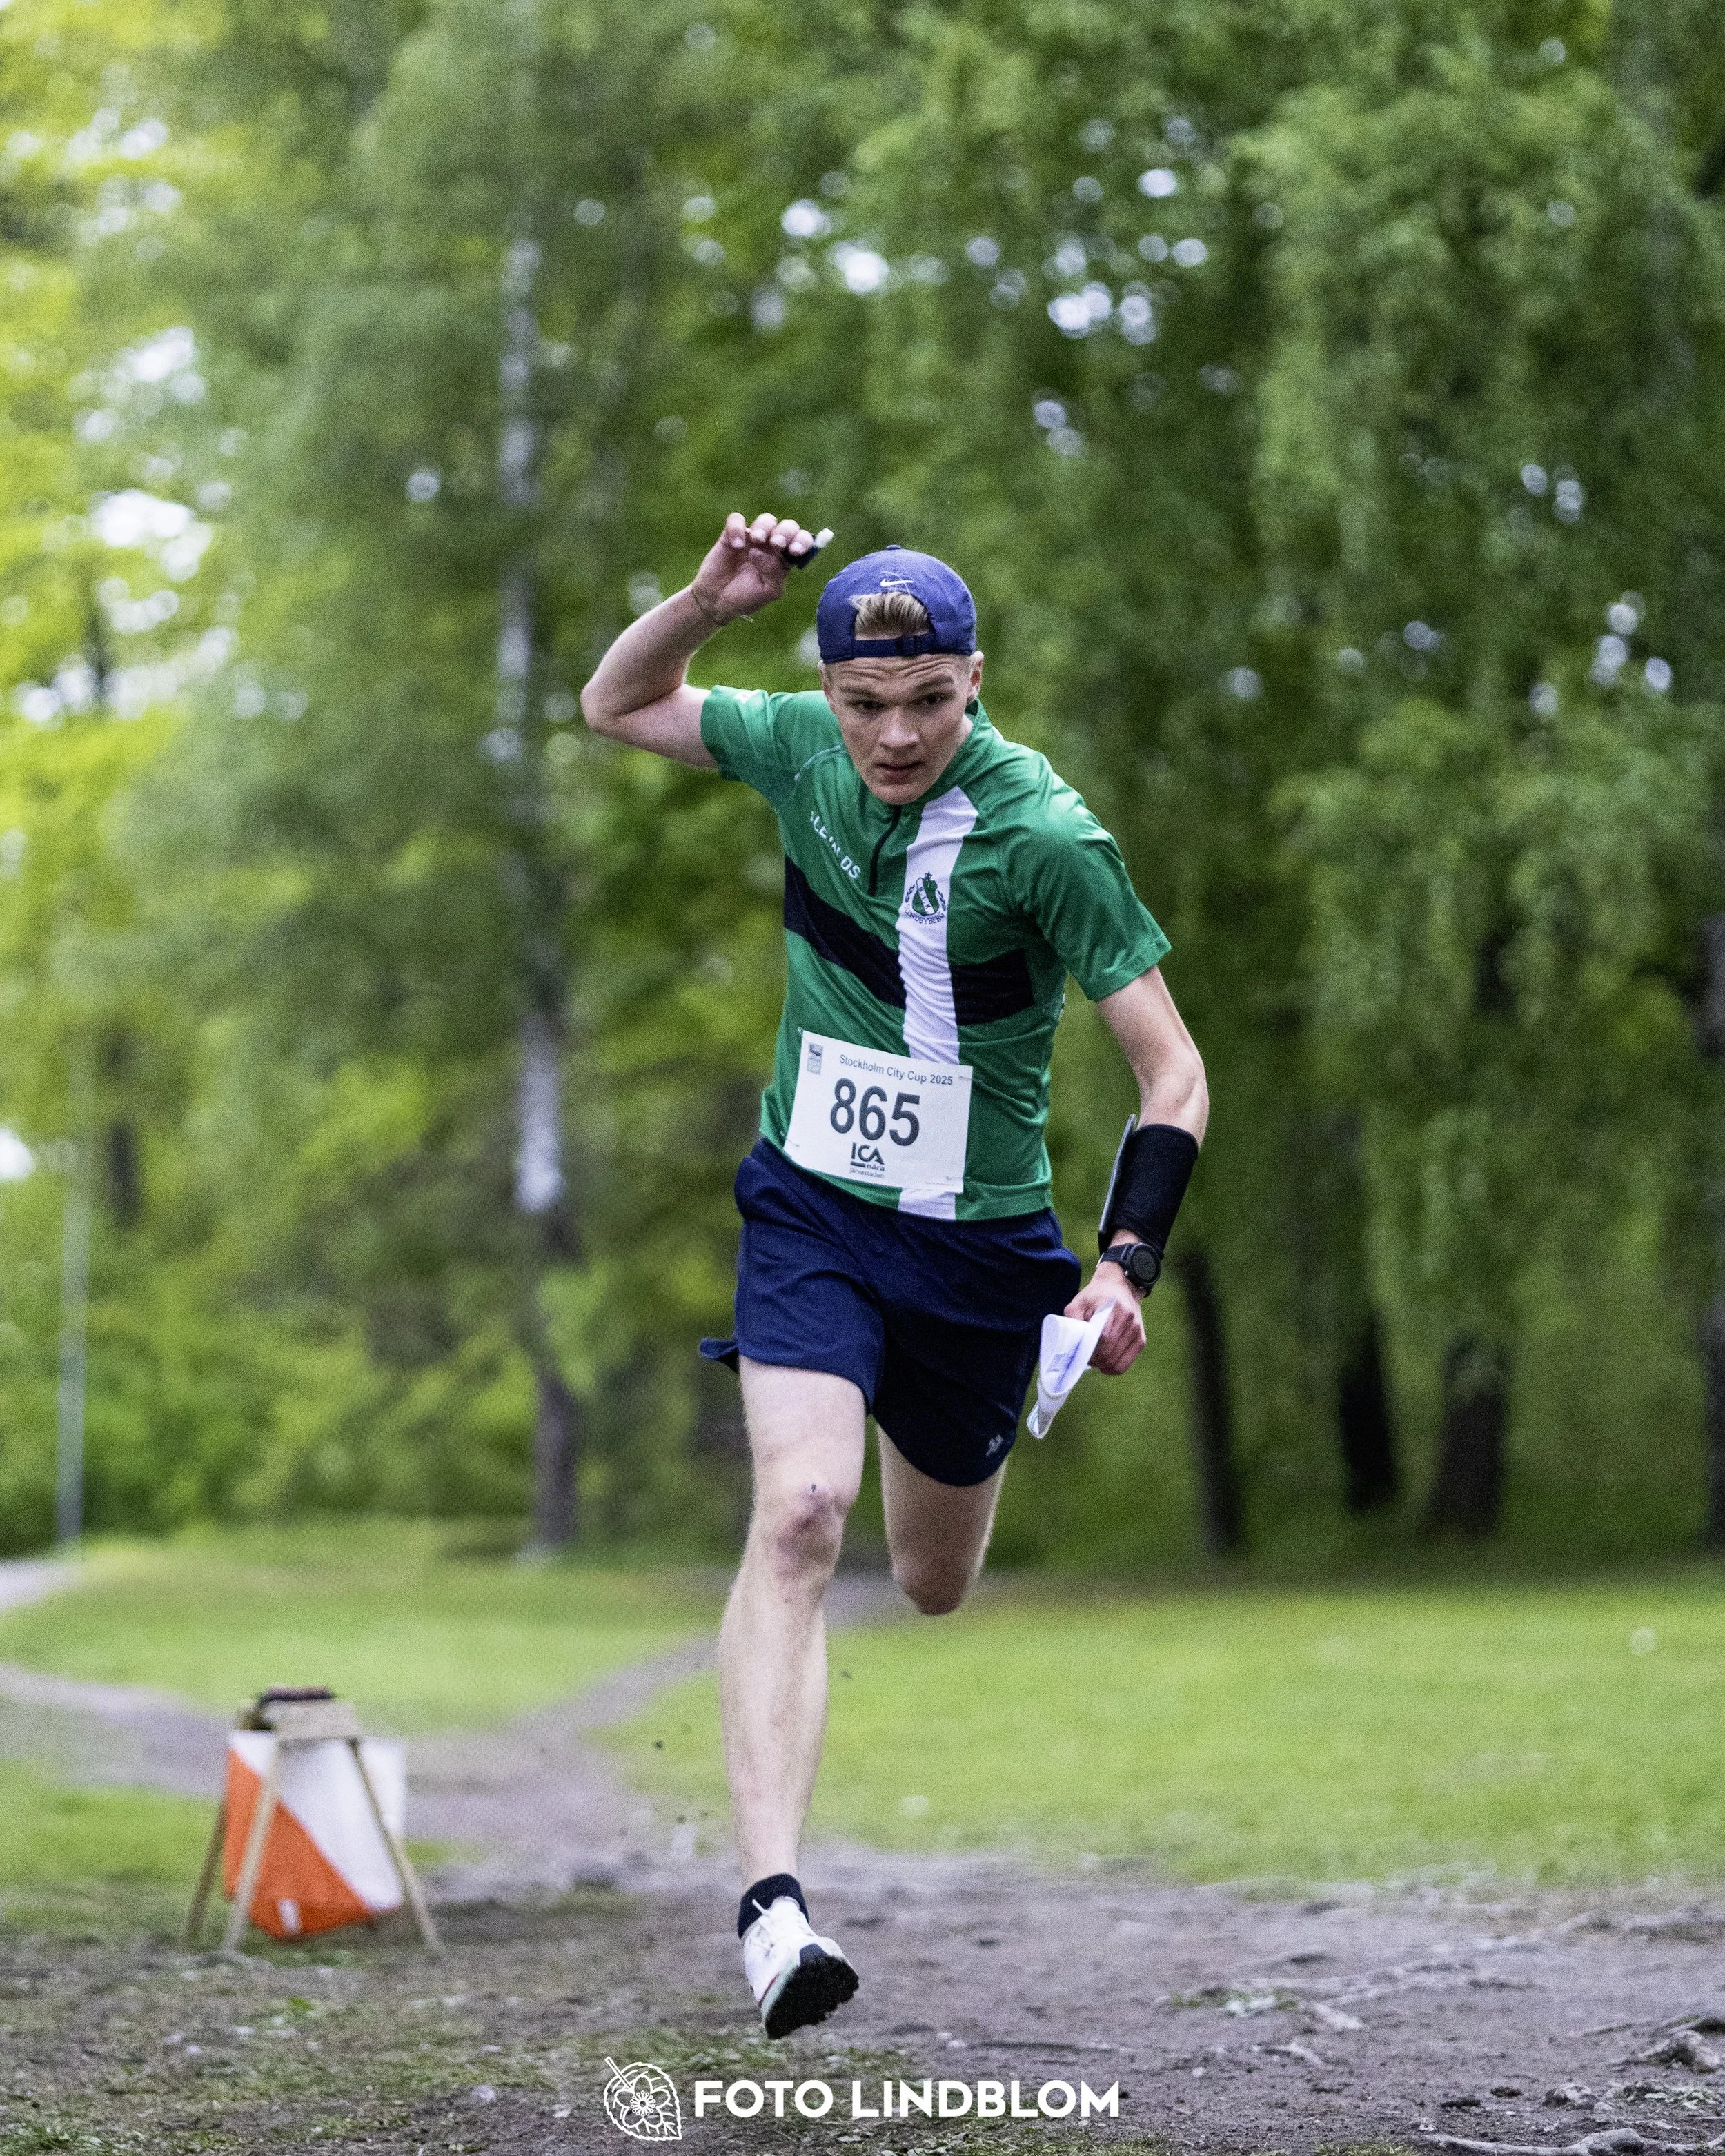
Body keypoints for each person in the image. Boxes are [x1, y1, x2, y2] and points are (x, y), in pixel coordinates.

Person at [581, 510, 1208, 2039]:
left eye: (926, 699)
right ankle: (772, 1910)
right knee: (798, 1510)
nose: (893, 733)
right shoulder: (795, 747)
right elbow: (615, 704)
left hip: (981, 1250)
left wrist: (1122, 1266)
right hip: (808, 1205)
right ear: (830, 695)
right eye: (864, 704)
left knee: (929, 1579)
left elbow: (1173, 1073)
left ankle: (958, 1453)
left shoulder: (1045, 837)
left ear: (972, 682)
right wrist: (704, 602)